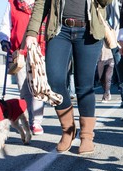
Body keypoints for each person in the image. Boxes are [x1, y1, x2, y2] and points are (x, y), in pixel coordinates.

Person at [25, 0, 113, 154]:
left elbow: (105, 2)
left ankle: (86, 136)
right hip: (60, 30)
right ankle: (68, 130)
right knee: (55, 80)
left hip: (89, 30)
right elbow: (41, 3)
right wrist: (32, 32)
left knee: (84, 85)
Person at [0, 0, 46, 135]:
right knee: (24, 88)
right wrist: (4, 40)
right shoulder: (12, 4)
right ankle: (28, 119)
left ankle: (36, 122)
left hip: (38, 52)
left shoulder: (42, 3)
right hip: (19, 53)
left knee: (37, 87)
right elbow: (5, 25)